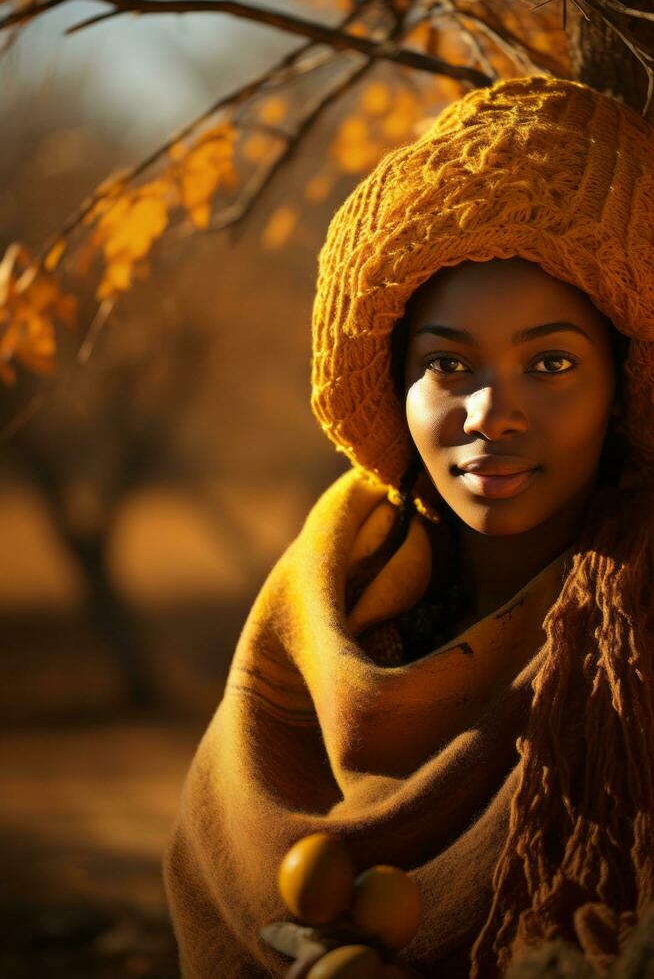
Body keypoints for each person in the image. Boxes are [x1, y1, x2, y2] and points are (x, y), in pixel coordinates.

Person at [163, 74, 654, 978]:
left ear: (620, 389)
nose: (489, 414)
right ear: (399, 383)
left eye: (550, 362)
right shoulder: (315, 606)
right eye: (448, 365)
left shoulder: (636, 640)